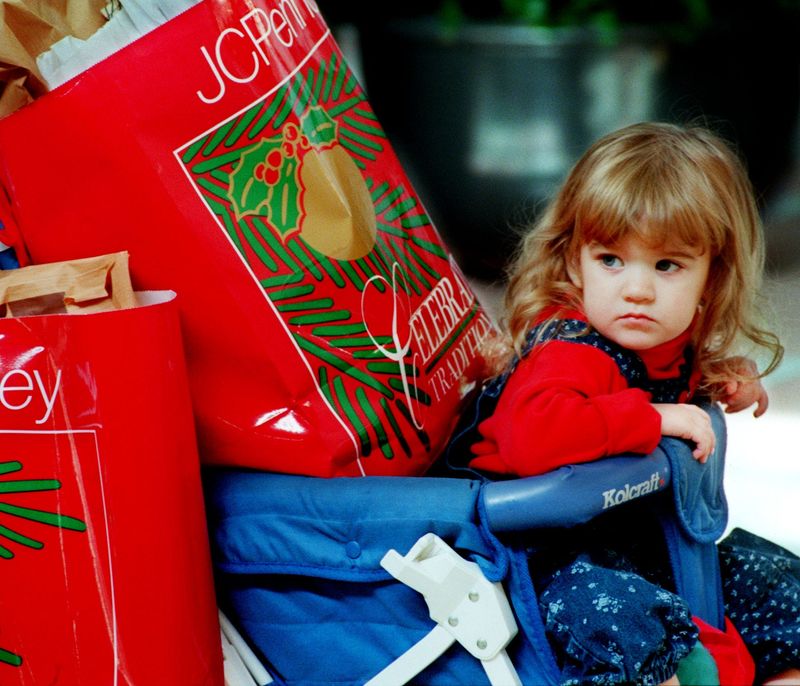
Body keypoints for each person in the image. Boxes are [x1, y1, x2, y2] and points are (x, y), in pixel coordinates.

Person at [451, 122, 798, 684]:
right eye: (611, 259)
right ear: (573, 263)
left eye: (667, 266)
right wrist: (658, 418)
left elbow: (659, 377)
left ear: (712, 279)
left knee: (775, 585)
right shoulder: (571, 350)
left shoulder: (658, 341)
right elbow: (534, 433)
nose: (637, 289)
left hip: (632, 539)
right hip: (538, 556)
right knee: (621, 619)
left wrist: (712, 379)